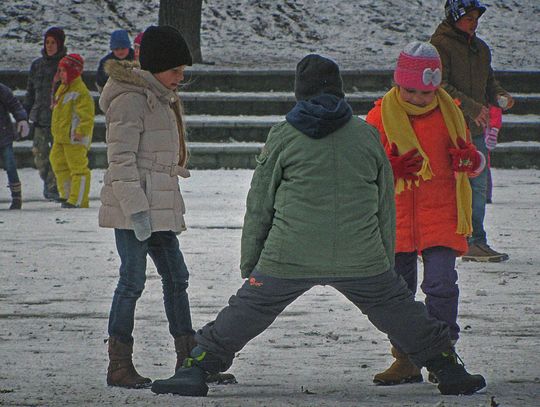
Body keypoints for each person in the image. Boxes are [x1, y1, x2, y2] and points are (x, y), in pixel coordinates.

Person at [149, 54, 486, 398]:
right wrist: (382, 261)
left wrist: (253, 266)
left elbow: (259, 206)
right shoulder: (366, 135)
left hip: (291, 251)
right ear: (340, 92)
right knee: (397, 307)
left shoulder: (283, 135)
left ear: (300, 94)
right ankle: (447, 366)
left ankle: (198, 366)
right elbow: (385, 206)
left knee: (251, 308)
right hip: (361, 253)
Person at [365, 41, 485, 386]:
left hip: (442, 214)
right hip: (397, 217)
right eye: (411, 90)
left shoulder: (451, 114)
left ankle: (442, 353)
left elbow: (472, 158)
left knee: (441, 284)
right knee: (399, 292)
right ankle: (405, 358)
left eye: (425, 91)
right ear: (398, 83)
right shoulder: (378, 116)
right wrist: (391, 168)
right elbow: (365, 165)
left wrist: (470, 161)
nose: (418, 97)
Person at [98, 25, 196, 389]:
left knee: (177, 278)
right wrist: (137, 211)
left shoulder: (160, 97)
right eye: (175, 71)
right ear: (156, 66)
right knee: (132, 281)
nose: (180, 78)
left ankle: (190, 358)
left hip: (159, 205)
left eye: (183, 72)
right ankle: (119, 364)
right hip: (134, 207)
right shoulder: (130, 99)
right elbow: (120, 161)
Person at [430, 0, 513, 262]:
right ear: (455, 18)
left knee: (477, 185)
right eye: (469, 18)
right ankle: (443, 238)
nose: (474, 23)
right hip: (448, 128)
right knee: (447, 184)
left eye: (476, 18)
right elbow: (439, 85)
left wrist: (500, 95)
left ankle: (475, 240)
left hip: (474, 130)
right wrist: (472, 106)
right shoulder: (439, 46)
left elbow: (489, 82)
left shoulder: (480, 48)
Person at [24, 26, 67, 201]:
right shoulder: (37, 65)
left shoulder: (65, 64)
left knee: (56, 156)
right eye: (47, 42)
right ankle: (48, 182)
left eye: (53, 43)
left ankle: (53, 187)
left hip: (58, 119)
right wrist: (25, 113)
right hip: (40, 118)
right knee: (40, 155)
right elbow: (30, 92)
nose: (49, 46)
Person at [49, 54, 94, 208]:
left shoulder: (81, 92)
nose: (60, 74)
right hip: (61, 137)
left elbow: (86, 115)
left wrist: (81, 130)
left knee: (78, 168)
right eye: (59, 71)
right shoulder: (62, 89)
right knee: (58, 162)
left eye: (63, 71)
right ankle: (67, 194)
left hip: (75, 137)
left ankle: (79, 199)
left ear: (73, 72)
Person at [0, 83, 30, 209]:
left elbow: (15, 105)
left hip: (3, 135)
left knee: (10, 165)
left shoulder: (2, 90)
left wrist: (21, 119)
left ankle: (16, 197)